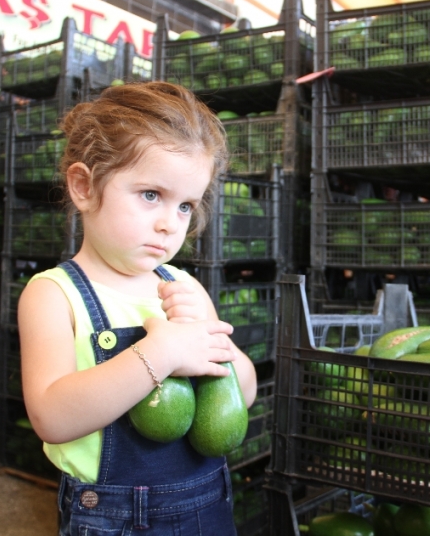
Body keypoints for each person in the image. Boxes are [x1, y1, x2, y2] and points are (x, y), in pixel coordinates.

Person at [18, 81, 257, 535]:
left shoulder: (183, 286)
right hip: (112, 517)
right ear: (85, 187)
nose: (170, 224)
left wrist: (209, 333)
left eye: (185, 205)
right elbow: (51, 417)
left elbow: (242, 395)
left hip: (207, 503)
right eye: (151, 195)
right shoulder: (53, 294)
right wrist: (160, 354)